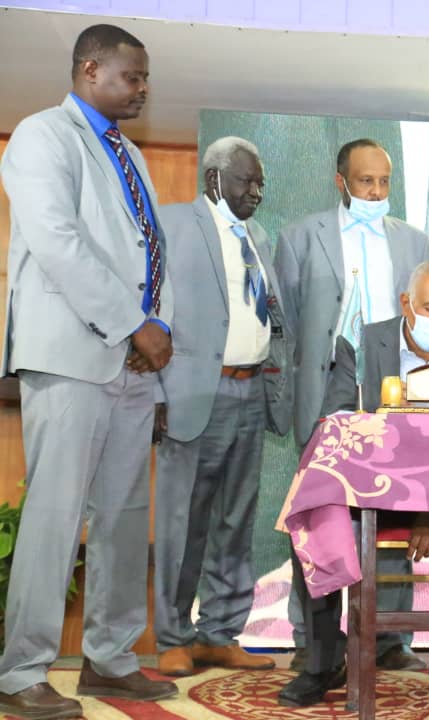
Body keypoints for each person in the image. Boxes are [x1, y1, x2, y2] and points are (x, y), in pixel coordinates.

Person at [0, 24, 178, 719]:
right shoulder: (42, 136)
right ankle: (20, 673)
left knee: (124, 518)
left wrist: (157, 329)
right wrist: (133, 323)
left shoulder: (128, 153)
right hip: (71, 357)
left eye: (146, 78)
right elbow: (57, 242)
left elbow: (150, 252)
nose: (143, 88)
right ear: (90, 69)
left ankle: (110, 658)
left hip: (134, 363)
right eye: (133, 76)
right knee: (56, 515)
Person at [278, 261, 429, 706]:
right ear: (406, 304)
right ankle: (324, 661)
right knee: (314, 519)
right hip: (375, 492)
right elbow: (334, 424)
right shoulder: (364, 345)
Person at [274, 138, 429, 673]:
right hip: (327, 383)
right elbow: (289, 322)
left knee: (393, 506)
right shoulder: (300, 236)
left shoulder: (413, 240)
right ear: (341, 182)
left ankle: (389, 638)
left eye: (384, 182)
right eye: (366, 181)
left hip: (391, 389)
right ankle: (313, 641)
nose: (377, 192)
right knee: (318, 514)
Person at [153, 137, 291, 676]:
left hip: (250, 391)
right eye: (245, 181)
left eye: (261, 183)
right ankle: (173, 636)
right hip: (194, 393)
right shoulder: (173, 224)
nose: (255, 192)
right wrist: (156, 393)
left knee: (236, 520)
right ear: (214, 179)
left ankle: (219, 633)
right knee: (184, 520)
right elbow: (152, 309)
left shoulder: (257, 236)